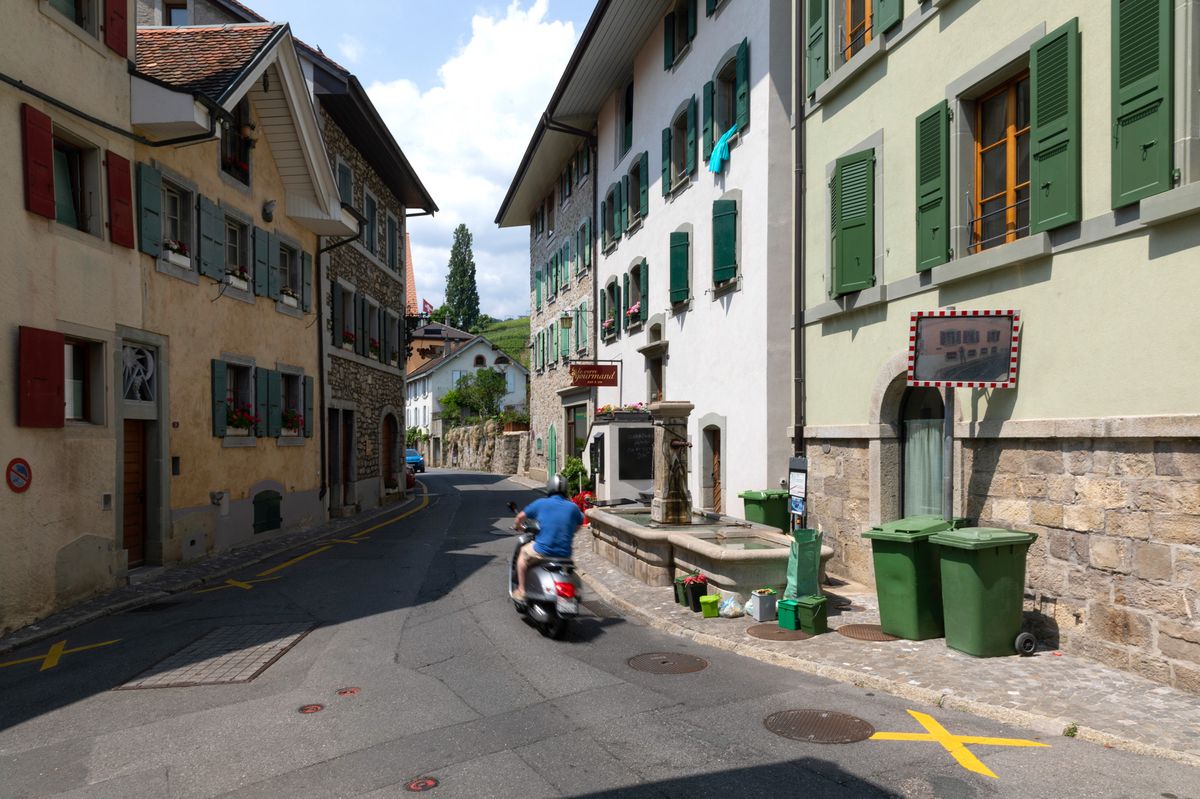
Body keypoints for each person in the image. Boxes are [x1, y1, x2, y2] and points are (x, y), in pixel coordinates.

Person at [512, 474, 583, 601]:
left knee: (522, 554)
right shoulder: (573, 507)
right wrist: (570, 531)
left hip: (543, 551)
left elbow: (519, 517)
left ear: (549, 488)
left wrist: (518, 527)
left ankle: (521, 590)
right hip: (565, 554)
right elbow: (579, 523)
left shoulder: (541, 503)